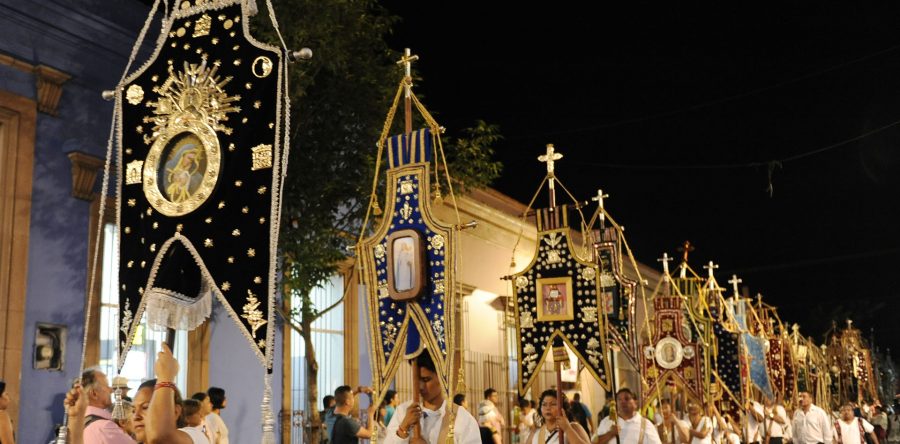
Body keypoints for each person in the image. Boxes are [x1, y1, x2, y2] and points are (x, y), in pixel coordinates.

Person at [64, 344, 209, 443]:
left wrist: (166, 378)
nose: (136, 416)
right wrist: (76, 419)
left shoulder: (195, 436)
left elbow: (161, 436)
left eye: (146, 407)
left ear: (176, 411)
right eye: (133, 410)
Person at [383, 351, 481, 444]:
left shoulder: (462, 419)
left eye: (426, 379)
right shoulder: (403, 412)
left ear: (442, 377)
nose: (420, 386)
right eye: (417, 379)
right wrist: (403, 429)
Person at [79, 368, 136, 443]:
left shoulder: (79, 422)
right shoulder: (104, 427)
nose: (111, 390)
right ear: (94, 394)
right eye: (107, 386)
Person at [593, 388, 662, 444]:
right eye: (619, 399)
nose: (622, 402)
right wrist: (610, 434)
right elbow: (593, 443)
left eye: (627, 399)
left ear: (635, 402)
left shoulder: (646, 425)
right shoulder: (606, 421)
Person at [523, 390, 590, 444]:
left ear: (562, 408)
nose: (548, 408)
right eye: (544, 404)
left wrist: (567, 429)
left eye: (553, 404)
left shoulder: (574, 427)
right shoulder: (536, 433)